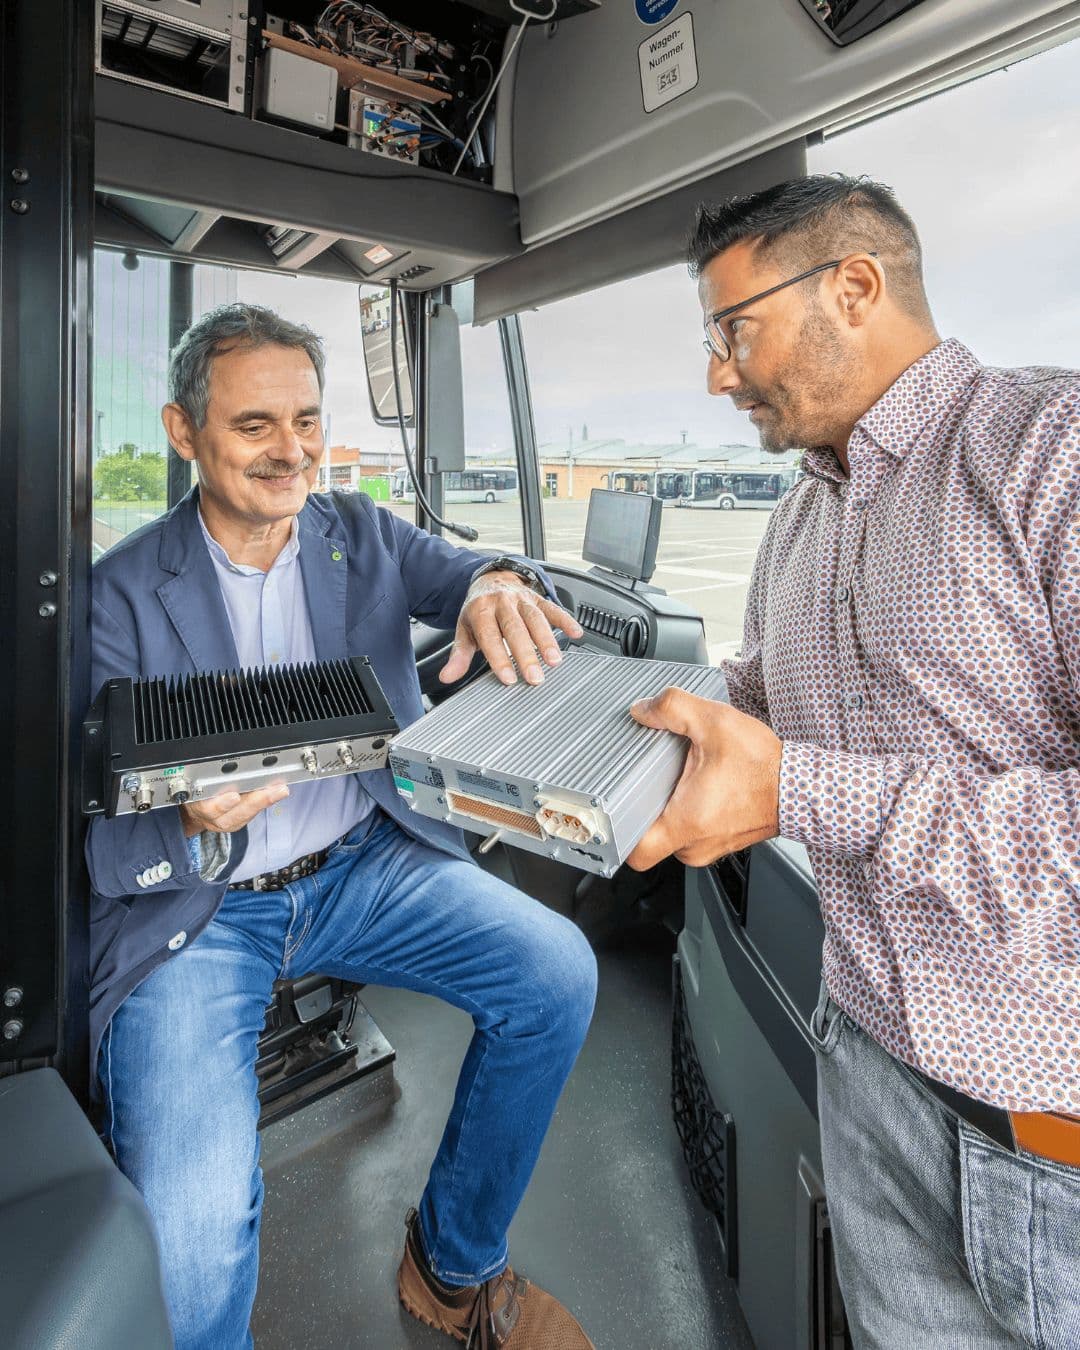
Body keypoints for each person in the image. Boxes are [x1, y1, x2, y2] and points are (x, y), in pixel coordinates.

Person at [86, 304, 598, 1350]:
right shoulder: (117, 595)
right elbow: (88, 823)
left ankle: (452, 1265)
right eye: (255, 425)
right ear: (184, 432)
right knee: (191, 1244)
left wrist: (499, 583)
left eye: (308, 420)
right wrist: (185, 818)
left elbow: (469, 571)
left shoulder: (358, 533)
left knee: (556, 974)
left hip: (364, 866)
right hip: (204, 908)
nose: (292, 451)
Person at [627, 175, 1080, 1347]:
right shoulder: (798, 517)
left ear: (856, 288)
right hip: (866, 1070)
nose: (717, 375)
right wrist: (587, 724)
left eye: (736, 331)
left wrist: (803, 790)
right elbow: (757, 698)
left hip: (1049, 1129)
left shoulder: (1052, 452)